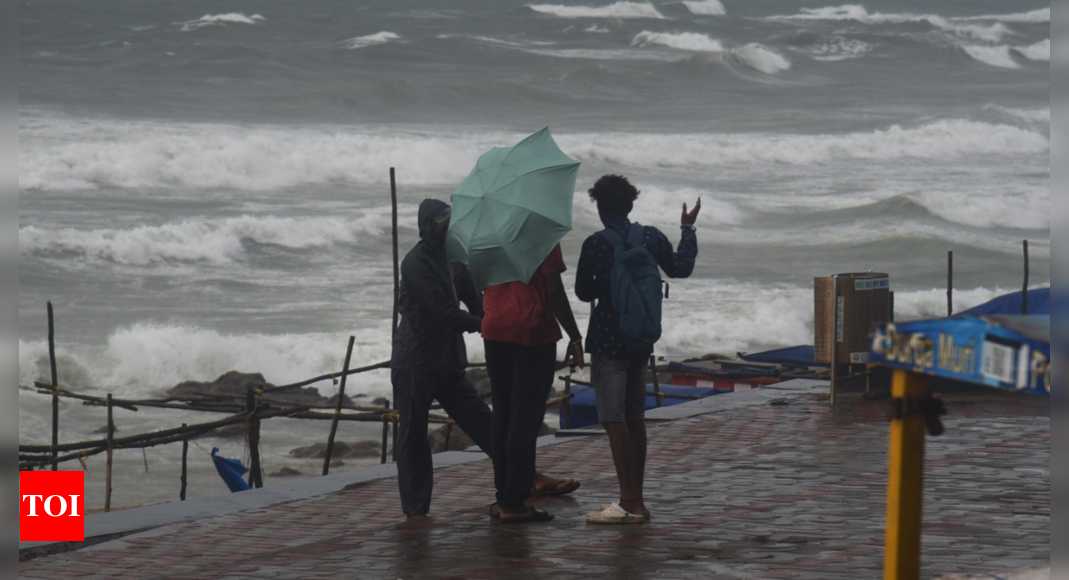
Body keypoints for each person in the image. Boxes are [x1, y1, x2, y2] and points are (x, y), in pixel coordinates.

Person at [391, 199, 578, 521]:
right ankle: (416, 512)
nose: (449, 227)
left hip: (448, 361)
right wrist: (495, 327)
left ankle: (526, 479)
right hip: (415, 361)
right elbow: (445, 312)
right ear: (427, 226)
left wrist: (498, 316)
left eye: (451, 220)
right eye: (441, 222)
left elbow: (476, 300)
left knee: (488, 424)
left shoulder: (454, 261)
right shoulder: (415, 263)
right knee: (412, 438)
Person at [575, 174, 700, 524]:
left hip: (607, 338)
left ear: (600, 208)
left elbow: (584, 292)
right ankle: (637, 499)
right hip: (642, 338)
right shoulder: (651, 236)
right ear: (630, 205)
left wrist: (606, 284)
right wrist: (687, 229)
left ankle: (629, 501)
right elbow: (681, 268)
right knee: (634, 418)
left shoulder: (595, 243)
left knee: (613, 419)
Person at [482, 243, 585, 523]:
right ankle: (514, 503)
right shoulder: (541, 234)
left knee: (502, 413)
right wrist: (575, 337)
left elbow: (473, 277)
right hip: (531, 330)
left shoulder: (487, 235)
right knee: (525, 417)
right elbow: (553, 290)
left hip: (494, 327)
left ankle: (504, 496)